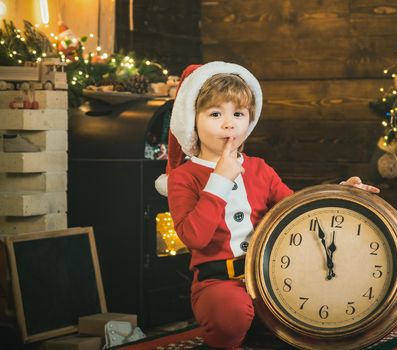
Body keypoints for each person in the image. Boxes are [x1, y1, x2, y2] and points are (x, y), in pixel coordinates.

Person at [155, 61, 380, 349]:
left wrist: (338, 194)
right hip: (219, 282)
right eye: (215, 114)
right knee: (229, 316)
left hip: (274, 276)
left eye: (238, 113)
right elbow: (194, 236)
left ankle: (265, 330)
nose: (229, 123)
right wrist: (220, 180)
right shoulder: (184, 177)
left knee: (322, 314)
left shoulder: (260, 169)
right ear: (191, 120)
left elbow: (297, 210)